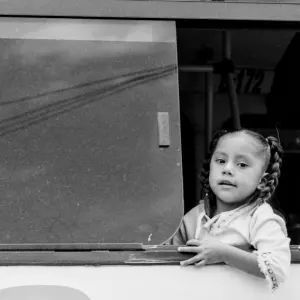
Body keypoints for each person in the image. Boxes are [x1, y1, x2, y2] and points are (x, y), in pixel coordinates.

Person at [168, 128, 291, 291]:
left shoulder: (260, 217)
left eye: (242, 164)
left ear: (263, 180)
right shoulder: (194, 218)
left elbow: (277, 267)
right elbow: (168, 262)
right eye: (220, 161)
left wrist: (224, 254)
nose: (227, 169)